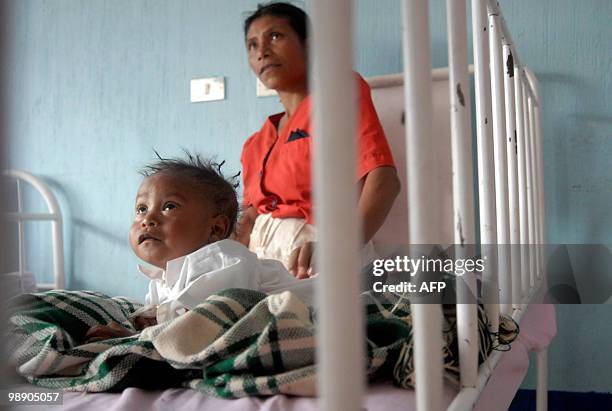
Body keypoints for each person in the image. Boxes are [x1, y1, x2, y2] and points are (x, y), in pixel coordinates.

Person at [234, 2, 401, 279]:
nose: (262, 52)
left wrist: (338, 249)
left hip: (321, 258)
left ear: (309, 45)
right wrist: (224, 258)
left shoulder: (338, 96)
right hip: (260, 264)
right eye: (252, 45)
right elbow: (250, 217)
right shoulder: (255, 143)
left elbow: (384, 180)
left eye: (275, 36)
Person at [85, 152, 303, 342]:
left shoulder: (225, 257)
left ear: (216, 229)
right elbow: (170, 323)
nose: (147, 219)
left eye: (169, 207)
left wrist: (136, 339)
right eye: (141, 208)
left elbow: (211, 321)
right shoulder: (161, 283)